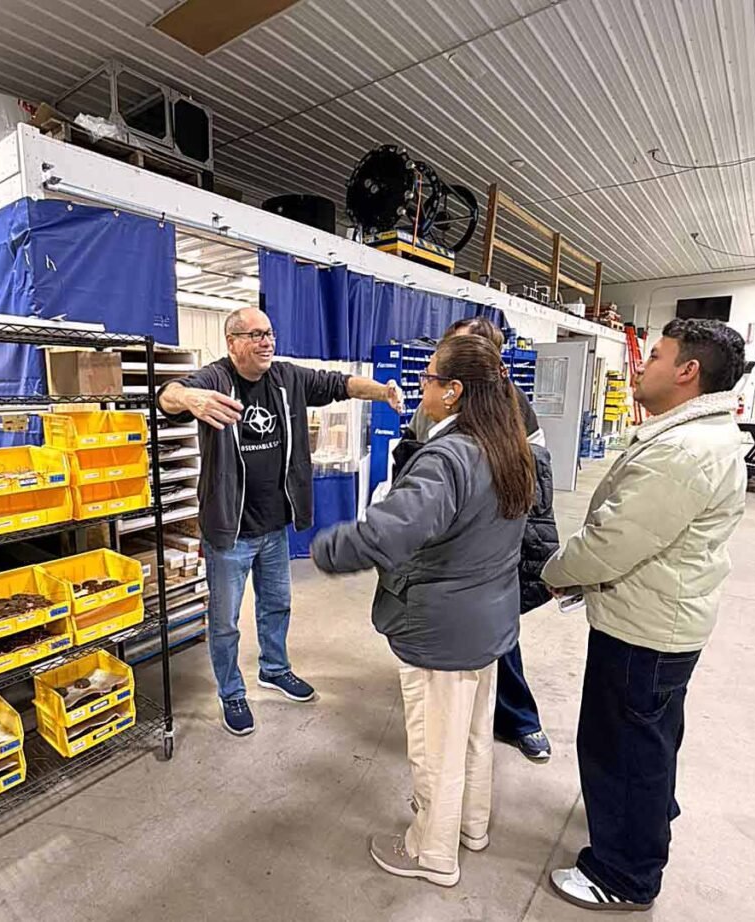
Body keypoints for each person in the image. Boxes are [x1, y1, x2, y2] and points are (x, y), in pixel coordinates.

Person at [311, 334, 536, 887]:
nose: (421, 386)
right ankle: (470, 827)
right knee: (472, 735)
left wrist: (332, 548)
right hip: (487, 621)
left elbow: (393, 529)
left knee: (436, 746)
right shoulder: (507, 445)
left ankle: (431, 853)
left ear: (454, 391)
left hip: (442, 628)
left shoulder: (449, 456)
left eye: (429, 377)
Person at [542, 318, 747, 912]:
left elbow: (614, 541)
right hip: (660, 616)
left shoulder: (684, 450)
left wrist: (555, 571)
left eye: (655, 355)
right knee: (650, 737)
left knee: (624, 748)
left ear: (688, 372)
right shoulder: (694, 435)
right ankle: (644, 818)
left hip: (646, 631)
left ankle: (625, 874)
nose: (641, 364)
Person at [157, 307, 402, 736]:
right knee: (225, 622)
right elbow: (167, 394)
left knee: (277, 605)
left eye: (269, 332)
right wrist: (191, 399)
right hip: (229, 530)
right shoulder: (215, 379)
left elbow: (340, 384)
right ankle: (231, 692)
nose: (267, 341)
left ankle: (274, 668)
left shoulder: (287, 378)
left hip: (273, 528)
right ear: (232, 343)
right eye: (255, 334)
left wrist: (382, 391)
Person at [405, 317, 555, 763]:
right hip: (444, 541)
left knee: (497, 635)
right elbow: (414, 452)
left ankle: (520, 719)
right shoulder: (432, 402)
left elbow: (533, 478)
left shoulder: (512, 403)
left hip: (493, 537)